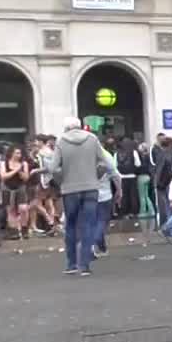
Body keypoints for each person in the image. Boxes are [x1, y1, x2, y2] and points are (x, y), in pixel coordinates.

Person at [49, 117, 111, 276]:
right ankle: (85, 265)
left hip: (69, 189)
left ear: (65, 128)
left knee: (71, 225)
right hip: (91, 187)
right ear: (80, 126)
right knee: (88, 225)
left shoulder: (61, 142)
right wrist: (95, 176)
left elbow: (53, 168)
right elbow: (105, 163)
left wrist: (61, 180)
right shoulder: (92, 139)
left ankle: (71, 264)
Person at [92, 142, 122, 256]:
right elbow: (115, 175)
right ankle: (96, 240)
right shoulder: (106, 155)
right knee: (102, 221)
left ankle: (102, 248)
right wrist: (119, 191)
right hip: (104, 194)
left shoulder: (82, 155)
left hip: (87, 193)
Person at [0, 146, 31, 239]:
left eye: (20, 153)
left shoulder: (24, 164)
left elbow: (26, 178)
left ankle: (24, 228)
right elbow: (4, 176)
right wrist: (15, 170)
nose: (19, 155)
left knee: (23, 208)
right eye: (17, 153)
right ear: (11, 153)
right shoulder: (4, 163)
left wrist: (20, 171)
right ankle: (14, 231)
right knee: (10, 210)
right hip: (7, 187)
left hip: (20, 187)